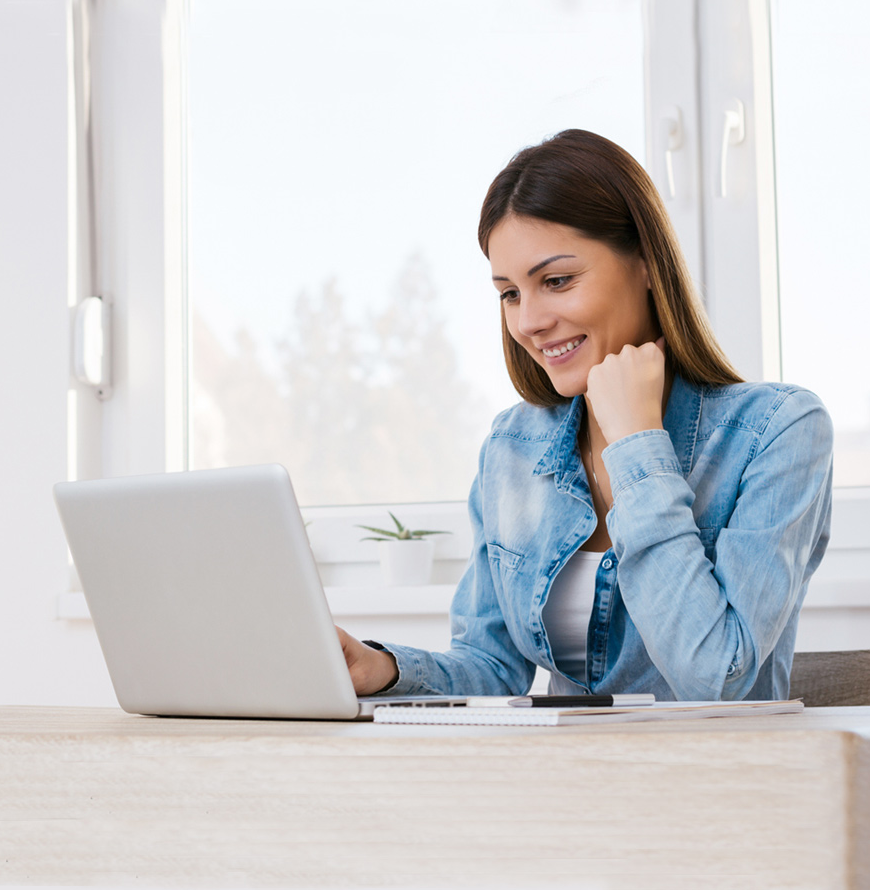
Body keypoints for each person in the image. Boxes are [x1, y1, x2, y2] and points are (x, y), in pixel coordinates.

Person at [337, 129, 834, 701]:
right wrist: (384, 669)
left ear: (647, 263)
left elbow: (714, 678)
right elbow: (493, 669)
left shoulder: (778, 431)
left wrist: (637, 444)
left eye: (556, 281)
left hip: (714, 781)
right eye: (510, 293)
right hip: (564, 784)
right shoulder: (512, 448)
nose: (528, 322)